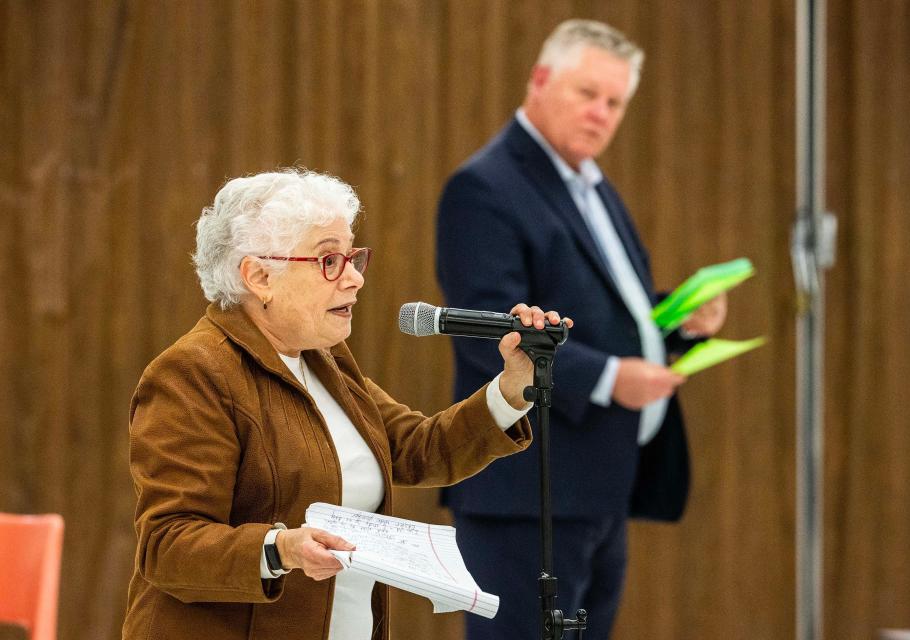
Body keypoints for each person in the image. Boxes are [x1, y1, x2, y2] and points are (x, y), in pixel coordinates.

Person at [121, 168, 571, 640]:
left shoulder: (323, 358)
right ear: (259, 277)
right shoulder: (194, 372)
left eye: (353, 256)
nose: (355, 278)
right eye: (328, 260)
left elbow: (419, 449)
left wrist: (514, 386)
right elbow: (167, 546)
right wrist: (280, 548)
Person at [436, 19, 727, 639]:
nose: (602, 114)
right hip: (528, 495)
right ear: (540, 81)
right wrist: (608, 378)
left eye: (615, 102)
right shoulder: (485, 188)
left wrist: (675, 319)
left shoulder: (590, 184)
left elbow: (600, 313)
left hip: (598, 489)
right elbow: (491, 328)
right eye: (587, 93)